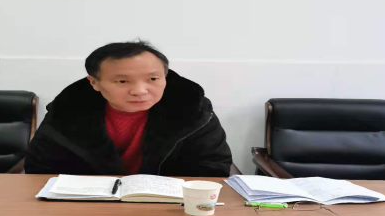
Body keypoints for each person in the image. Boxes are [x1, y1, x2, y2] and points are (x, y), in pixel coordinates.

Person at [25, 41, 233, 176]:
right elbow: (41, 170)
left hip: (169, 208)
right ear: (94, 82)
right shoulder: (66, 112)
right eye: (122, 81)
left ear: (165, 77)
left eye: (153, 79)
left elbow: (213, 168)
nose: (140, 91)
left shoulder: (193, 110)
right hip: (86, 208)